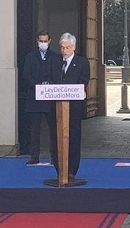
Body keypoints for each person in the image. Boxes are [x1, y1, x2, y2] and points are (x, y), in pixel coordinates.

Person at [46, 32, 89, 180]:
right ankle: (59, 169)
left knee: (73, 138)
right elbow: (48, 78)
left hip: (73, 108)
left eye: (68, 48)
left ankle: (71, 169)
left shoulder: (82, 62)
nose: (64, 51)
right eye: (62, 48)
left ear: (74, 47)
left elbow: (84, 81)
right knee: (55, 137)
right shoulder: (54, 61)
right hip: (56, 108)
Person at [22, 30, 59, 164]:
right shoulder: (31, 56)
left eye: (45, 41)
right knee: (35, 129)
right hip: (35, 97)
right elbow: (26, 75)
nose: (43, 43)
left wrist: (48, 85)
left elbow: (57, 74)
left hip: (50, 98)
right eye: (41, 41)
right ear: (37, 41)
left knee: (53, 129)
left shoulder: (55, 57)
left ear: (49, 41)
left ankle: (54, 156)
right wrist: (38, 86)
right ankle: (34, 156)